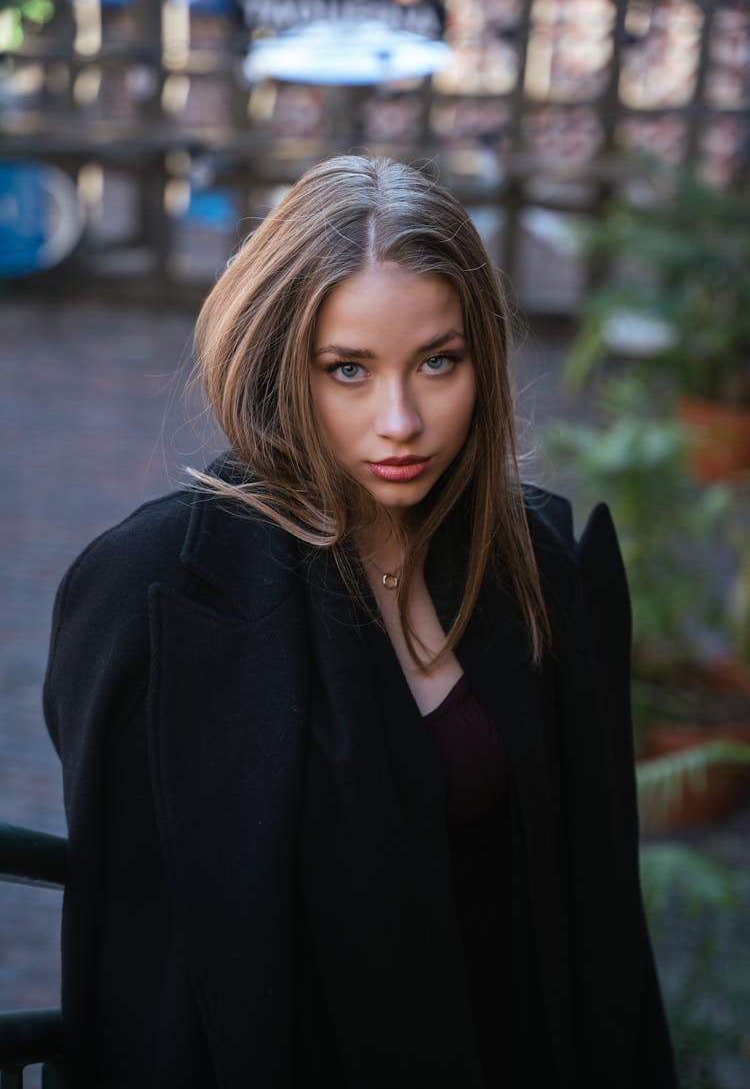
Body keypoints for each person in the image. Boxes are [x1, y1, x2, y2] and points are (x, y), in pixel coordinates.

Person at [44, 154, 677, 1089]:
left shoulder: (539, 565)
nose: (400, 421)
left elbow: (595, 927)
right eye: (347, 369)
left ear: (482, 362)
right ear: (276, 362)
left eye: (437, 361)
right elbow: (140, 973)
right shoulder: (156, 598)